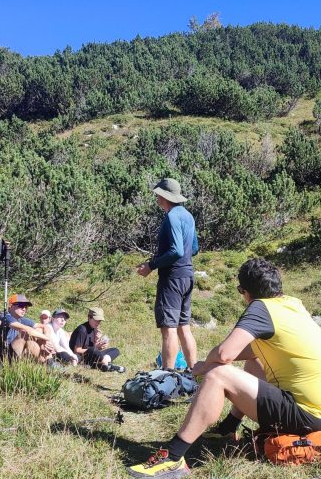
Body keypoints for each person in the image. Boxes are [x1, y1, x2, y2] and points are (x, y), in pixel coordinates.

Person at [127, 258, 321, 478]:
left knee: (218, 375)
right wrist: (211, 362)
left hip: (306, 415)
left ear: (246, 292)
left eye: (241, 291)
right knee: (253, 362)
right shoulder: (293, 304)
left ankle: (173, 457)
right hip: (315, 410)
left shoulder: (261, 307)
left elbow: (224, 353)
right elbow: (252, 350)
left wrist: (205, 366)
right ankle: (227, 428)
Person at [136, 178, 198, 371]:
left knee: (168, 329)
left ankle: (167, 376)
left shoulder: (171, 217)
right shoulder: (188, 216)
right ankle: (194, 373)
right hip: (187, 276)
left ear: (164, 196)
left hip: (172, 279)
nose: (156, 198)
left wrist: (152, 265)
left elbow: (176, 251)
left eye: (158, 194)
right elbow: (194, 248)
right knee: (183, 327)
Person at [0, 293, 54, 362]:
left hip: (16, 352)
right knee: (24, 333)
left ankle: (47, 361)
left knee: (38, 331)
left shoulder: (20, 319)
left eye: (26, 307)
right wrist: (46, 338)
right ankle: (46, 362)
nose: (24, 309)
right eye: (21, 306)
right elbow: (26, 330)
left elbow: (44, 327)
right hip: (3, 355)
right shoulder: (4, 316)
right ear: (11, 306)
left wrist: (46, 341)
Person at [69, 307, 124, 372]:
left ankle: (102, 364)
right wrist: (94, 349)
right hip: (81, 357)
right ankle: (106, 364)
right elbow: (77, 350)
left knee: (115, 350)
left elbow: (93, 347)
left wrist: (98, 343)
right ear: (89, 317)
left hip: (92, 355)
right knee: (93, 350)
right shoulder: (82, 330)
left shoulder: (94, 329)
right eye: (96, 320)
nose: (98, 323)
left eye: (99, 321)